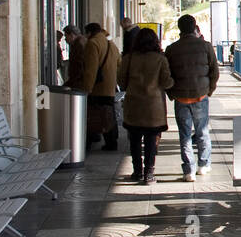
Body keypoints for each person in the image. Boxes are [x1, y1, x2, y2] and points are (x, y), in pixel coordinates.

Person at [165, 14, 220, 181]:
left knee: (185, 134)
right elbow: (214, 72)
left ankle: (189, 170)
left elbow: (167, 75)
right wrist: (208, 90)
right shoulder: (206, 46)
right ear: (195, 27)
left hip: (181, 97)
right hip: (200, 96)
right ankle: (204, 164)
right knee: (202, 131)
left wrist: (172, 93)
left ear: (179, 28)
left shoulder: (172, 49)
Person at [117, 28, 173, 184]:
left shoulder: (128, 59)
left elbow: (121, 82)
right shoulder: (160, 59)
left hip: (133, 104)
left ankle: (137, 171)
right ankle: (149, 173)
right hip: (153, 107)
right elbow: (167, 81)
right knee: (150, 140)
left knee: (134, 140)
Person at [78, 22, 121, 151]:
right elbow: (119, 63)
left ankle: (91, 139)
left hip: (98, 88)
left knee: (94, 114)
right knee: (109, 115)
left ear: (89, 33)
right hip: (110, 86)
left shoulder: (92, 44)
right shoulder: (111, 44)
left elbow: (91, 69)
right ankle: (112, 142)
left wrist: (87, 88)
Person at [63, 25, 88, 89]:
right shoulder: (79, 43)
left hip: (79, 81)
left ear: (72, 35)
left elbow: (80, 64)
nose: (65, 39)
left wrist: (75, 80)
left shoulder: (79, 44)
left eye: (66, 36)